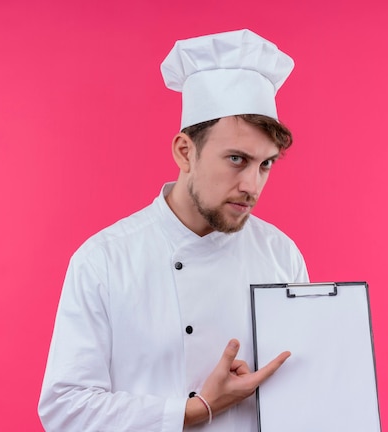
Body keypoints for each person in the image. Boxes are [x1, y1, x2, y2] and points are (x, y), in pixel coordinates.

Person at [38, 29, 309, 431]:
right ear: (185, 151)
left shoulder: (281, 255)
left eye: (265, 164)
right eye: (236, 158)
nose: (252, 185)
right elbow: (65, 408)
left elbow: (303, 392)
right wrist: (198, 410)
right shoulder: (105, 260)